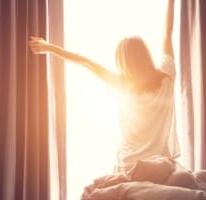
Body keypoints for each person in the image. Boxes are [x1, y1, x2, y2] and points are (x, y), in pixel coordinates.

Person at [29, 0, 179, 173]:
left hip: (129, 167)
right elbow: (167, 35)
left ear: (123, 63)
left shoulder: (123, 84)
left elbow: (86, 63)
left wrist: (50, 48)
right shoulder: (167, 75)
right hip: (161, 167)